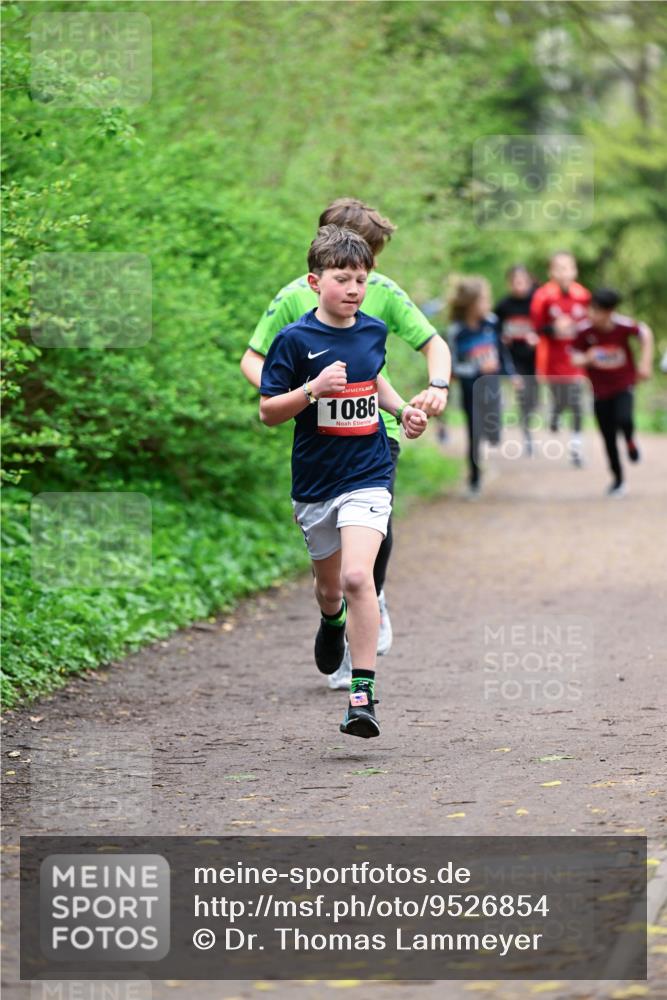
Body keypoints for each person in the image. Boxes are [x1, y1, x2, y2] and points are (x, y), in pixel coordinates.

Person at [241, 197, 450, 690]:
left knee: (373, 534)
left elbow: (416, 350)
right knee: (329, 575)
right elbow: (255, 361)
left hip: (377, 435)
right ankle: (337, 611)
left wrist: (429, 392)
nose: (359, 284)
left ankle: (370, 608)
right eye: (349, 270)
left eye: (367, 268)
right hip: (316, 438)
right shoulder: (295, 299)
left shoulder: (381, 294)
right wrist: (296, 394)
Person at [571, 288, 654, 497]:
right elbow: (573, 357)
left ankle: (630, 440)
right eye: (591, 309)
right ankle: (618, 480)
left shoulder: (623, 326)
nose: (592, 314)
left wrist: (645, 363)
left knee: (624, 419)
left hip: (623, 384)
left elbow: (645, 333)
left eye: (597, 311)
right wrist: (587, 358)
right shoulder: (584, 331)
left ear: (609, 312)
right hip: (600, 390)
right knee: (608, 437)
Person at [447, 276, 519, 497]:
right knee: (474, 434)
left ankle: (493, 431)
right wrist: (477, 368)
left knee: (493, 426)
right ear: (470, 304)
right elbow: (453, 366)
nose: (488, 303)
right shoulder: (456, 331)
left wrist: (511, 374)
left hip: (492, 385)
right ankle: (475, 478)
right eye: (484, 300)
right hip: (471, 389)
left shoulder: (492, 323)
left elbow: (502, 351)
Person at [530, 252, 591, 466]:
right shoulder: (542, 296)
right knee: (561, 399)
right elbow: (536, 327)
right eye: (559, 268)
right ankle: (555, 414)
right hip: (552, 360)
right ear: (551, 271)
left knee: (576, 402)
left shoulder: (583, 295)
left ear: (575, 270)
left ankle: (576, 446)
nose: (564, 273)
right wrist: (553, 328)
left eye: (568, 267)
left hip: (576, 360)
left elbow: (589, 326)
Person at [494, 265, 539, 455]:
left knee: (533, 396)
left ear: (529, 282)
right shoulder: (503, 306)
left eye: (522, 281)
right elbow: (493, 330)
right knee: (522, 393)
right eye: (515, 282)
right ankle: (527, 434)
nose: (519, 285)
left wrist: (538, 337)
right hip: (514, 358)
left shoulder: (537, 302)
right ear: (509, 283)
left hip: (536, 357)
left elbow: (546, 326)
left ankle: (529, 420)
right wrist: (501, 337)